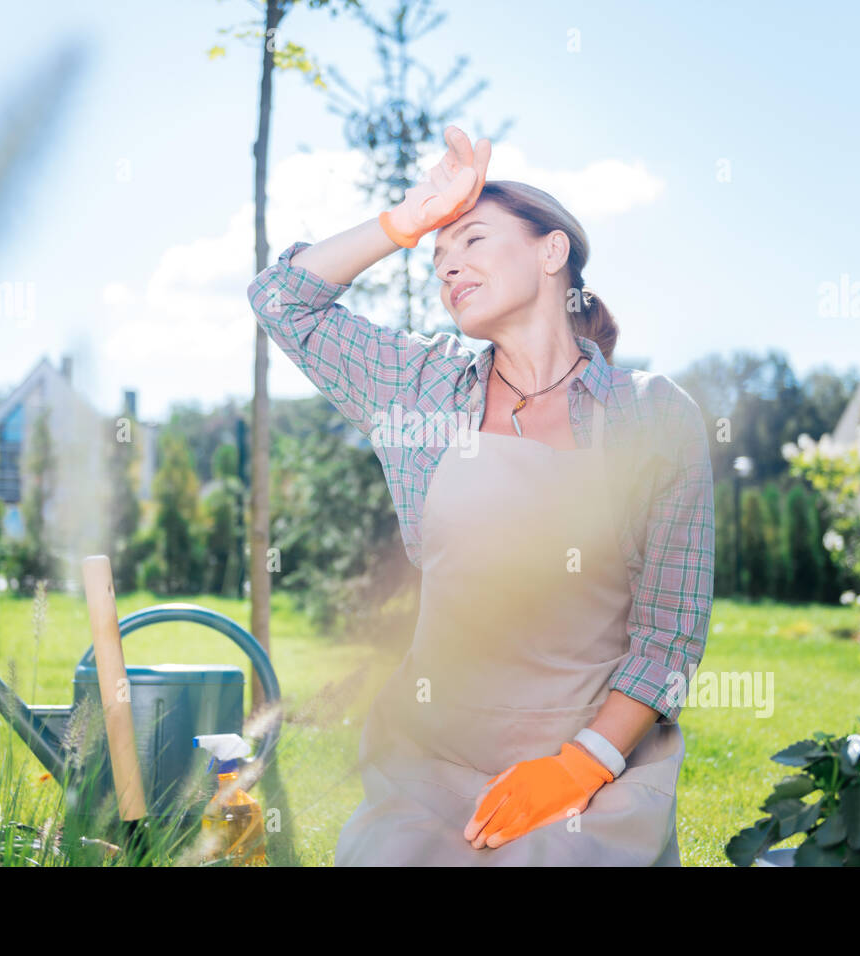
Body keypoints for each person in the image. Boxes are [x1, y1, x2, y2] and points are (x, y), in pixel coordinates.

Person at [246, 126, 715, 865]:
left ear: (551, 252)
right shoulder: (420, 390)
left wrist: (579, 767)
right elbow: (282, 301)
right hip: (429, 768)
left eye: (471, 239)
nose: (447, 266)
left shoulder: (654, 416)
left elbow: (670, 636)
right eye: (436, 255)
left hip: (596, 767)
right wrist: (406, 219)